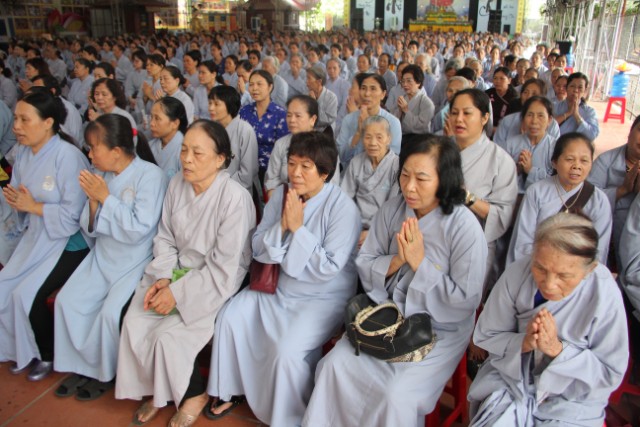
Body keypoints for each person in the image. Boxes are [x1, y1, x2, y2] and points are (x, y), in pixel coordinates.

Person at [303, 134, 488, 426]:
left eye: (421, 179)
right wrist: (398, 260)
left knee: (395, 394)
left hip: (439, 328)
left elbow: (465, 300)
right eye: (404, 175)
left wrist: (420, 263)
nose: (409, 187)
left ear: (444, 180)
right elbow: (366, 262)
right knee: (333, 366)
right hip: (389, 313)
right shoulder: (392, 209)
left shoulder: (464, 228)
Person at [206, 131, 361, 426]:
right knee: (230, 317)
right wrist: (283, 227)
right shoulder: (281, 195)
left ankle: (289, 416)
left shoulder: (344, 210)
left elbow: (328, 267)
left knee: (286, 351)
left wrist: (298, 230)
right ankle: (232, 389)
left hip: (321, 297)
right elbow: (258, 244)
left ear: (325, 173)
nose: (295, 173)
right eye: (292, 164)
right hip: (278, 287)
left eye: (306, 166)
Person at [115, 120, 256, 427]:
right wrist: (164, 277)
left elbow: (224, 264)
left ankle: (194, 395)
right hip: (174, 271)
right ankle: (158, 391)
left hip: (215, 278)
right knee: (135, 320)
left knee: (170, 336)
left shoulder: (235, 198)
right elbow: (165, 237)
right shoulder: (177, 184)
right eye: (184, 151)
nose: (187, 159)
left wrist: (177, 293)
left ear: (220, 159)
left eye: (197, 153)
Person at [469, 213, 628, 427]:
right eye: (540, 268)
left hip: (573, 398)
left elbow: (609, 370)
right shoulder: (518, 273)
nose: (549, 284)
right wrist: (524, 343)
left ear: (589, 269)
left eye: (563, 276)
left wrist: (557, 350)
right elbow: (487, 334)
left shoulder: (603, 292)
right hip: (512, 381)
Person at [53, 114, 167, 400]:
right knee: (68, 302)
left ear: (116, 151)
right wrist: (94, 203)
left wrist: (105, 198)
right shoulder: (101, 176)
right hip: (103, 256)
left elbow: (139, 229)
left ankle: (105, 373)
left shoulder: (151, 175)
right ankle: (81, 365)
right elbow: (88, 227)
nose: (89, 155)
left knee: (109, 313)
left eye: (93, 148)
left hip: (134, 261)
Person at [0, 90, 90, 381]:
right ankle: (17, 349)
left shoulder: (68, 157)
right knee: (4, 286)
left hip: (68, 242)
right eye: (16, 119)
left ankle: (46, 354)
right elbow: (20, 195)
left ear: (48, 122)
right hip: (36, 236)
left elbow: (75, 215)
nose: (16, 127)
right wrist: (17, 202)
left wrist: (34, 207)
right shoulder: (23, 153)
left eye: (24, 120)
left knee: (27, 294)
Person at [508, 132, 612, 266]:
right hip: (538, 266)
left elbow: (599, 250)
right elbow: (523, 241)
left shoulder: (599, 200)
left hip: (577, 272)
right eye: (570, 159)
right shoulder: (536, 192)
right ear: (554, 162)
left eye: (584, 161)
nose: (577, 166)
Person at [448, 88, 518, 283]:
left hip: (473, 246)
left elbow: (501, 215)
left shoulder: (501, 161)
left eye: (467, 113)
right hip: (433, 240)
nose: (459, 119)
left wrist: (467, 198)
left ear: (485, 117)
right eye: (454, 113)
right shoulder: (438, 151)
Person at [340, 115, 399, 247]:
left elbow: (393, 208)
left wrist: (373, 232)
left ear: (388, 139)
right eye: (368, 137)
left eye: (379, 137)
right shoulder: (356, 162)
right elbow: (345, 198)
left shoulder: (397, 166)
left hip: (383, 229)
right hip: (354, 225)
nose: (372, 143)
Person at [590, 115, 640, 266]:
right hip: (607, 236)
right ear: (630, 132)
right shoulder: (605, 161)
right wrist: (622, 190)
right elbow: (588, 200)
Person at [265, 95, 338, 197]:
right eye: (289, 115)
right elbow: (272, 180)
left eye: (298, 116)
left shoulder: (325, 146)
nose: (292, 120)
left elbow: (332, 184)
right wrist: (279, 202)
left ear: (313, 119)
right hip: (284, 199)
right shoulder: (280, 144)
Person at [337, 73, 401, 169]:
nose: (367, 94)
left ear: (383, 94)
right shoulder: (349, 119)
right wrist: (358, 133)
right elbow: (341, 156)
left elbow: (392, 159)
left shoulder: (393, 122)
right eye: (363, 88)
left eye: (373, 89)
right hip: (350, 173)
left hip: (380, 174)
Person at [496, 96, 557, 194]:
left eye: (540, 116)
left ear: (549, 120)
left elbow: (557, 181)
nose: (534, 121)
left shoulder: (555, 147)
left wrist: (530, 170)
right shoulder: (510, 144)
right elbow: (498, 175)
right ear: (523, 118)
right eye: (530, 115)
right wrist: (516, 170)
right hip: (512, 197)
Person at [238, 70, 289, 181]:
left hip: (270, 170)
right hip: (245, 168)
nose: (254, 88)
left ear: (270, 87)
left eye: (259, 84)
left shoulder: (280, 114)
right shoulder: (244, 111)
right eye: (251, 84)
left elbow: (283, 150)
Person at [208, 85, 258, 193]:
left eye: (216, 104)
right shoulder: (210, 129)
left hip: (236, 191)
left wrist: (220, 186)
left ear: (229, 105)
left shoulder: (244, 130)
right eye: (210, 103)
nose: (211, 108)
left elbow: (247, 174)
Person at [493, 78, 560, 148]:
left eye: (534, 93)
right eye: (525, 92)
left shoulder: (552, 124)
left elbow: (556, 150)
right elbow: (497, 148)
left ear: (542, 97)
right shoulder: (507, 120)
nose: (528, 97)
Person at [149, 97, 188, 179]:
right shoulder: (150, 145)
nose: (151, 123)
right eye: (151, 117)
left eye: (157, 118)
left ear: (175, 123)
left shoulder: (184, 150)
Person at [389, 64, 434, 134]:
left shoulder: (427, 103)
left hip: (419, 138)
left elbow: (419, 127)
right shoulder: (403, 98)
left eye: (409, 81)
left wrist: (406, 110)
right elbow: (392, 120)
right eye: (403, 81)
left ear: (418, 82)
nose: (405, 84)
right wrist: (399, 111)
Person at [554, 72, 599, 140]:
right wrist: (567, 113)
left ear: (585, 91)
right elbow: (546, 128)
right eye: (572, 86)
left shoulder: (589, 112)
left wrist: (577, 116)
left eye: (580, 87)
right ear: (567, 88)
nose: (575, 90)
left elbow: (592, 135)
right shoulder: (555, 107)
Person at [485, 66, 518, 132]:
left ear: (509, 80)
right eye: (495, 78)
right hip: (487, 127)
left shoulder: (514, 98)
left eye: (502, 78)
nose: (498, 81)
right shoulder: (487, 94)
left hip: (506, 130)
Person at [306, 65, 338, 131]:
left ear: (319, 82)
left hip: (325, 132)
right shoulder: (306, 94)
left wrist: (314, 103)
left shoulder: (331, 97)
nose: (306, 81)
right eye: (307, 78)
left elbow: (328, 119)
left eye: (309, 78)